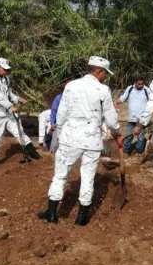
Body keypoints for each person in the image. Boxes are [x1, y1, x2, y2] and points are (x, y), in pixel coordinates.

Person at [38, 56, 122, 226]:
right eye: (105, 73)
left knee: (60, 176)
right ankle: (82, 218)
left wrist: (59, 132)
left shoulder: (71, 86)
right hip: (92, 140)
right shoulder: (103, 90)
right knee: (88, 177)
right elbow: (112, 120)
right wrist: (117, 132)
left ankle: (52, 213)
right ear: (98, 71)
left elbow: (61, 114)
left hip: (71, 138)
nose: (106, 77)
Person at [0, 57, 41, 166]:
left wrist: (18, 99)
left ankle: (33, 152)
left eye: (7, 69)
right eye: (4, 69)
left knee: (19, 131)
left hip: (8, 112)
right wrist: (10, 106)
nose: (6, 71)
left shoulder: (6, 78)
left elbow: (9, 94)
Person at [116, 76, 152, 155]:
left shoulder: (147, 90)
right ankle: (126, 152)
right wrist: (116, 102)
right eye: (139, 84)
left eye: (142, 84)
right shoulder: (130, 89)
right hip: (131, 118)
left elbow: (152, 102)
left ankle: (139, 152)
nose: (140, 85)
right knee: (128, 136)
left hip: (142, 119)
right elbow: (123, 98)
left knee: (141, 138)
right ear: (135, 83)